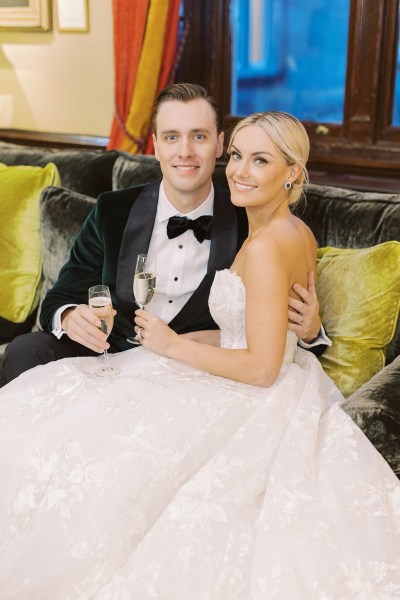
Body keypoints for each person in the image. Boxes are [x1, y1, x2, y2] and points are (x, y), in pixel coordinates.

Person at [0, 110, 399, 599]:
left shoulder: (259, 234)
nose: (239, 171)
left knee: (97, 457)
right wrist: (83, 319)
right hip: (192, 358)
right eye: (237, 158)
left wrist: (174, 345)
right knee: (48, 403)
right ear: (157, 144)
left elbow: (261, 362)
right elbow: (258, 325)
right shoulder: (277, 228)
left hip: (245, 385)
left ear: (291, 171)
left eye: (259, 160)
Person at [3, 83, 326, 384]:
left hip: (196, 372)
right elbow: (59, 297)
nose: (184, 151)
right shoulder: (112, 210)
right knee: (25, 349)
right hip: (113, 356)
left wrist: (313, 332)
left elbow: (271, 340)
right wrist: (71, 316)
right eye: (172, 137)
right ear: (155, 146)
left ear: (219, 144)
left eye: (198, 136)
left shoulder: (252, 216)